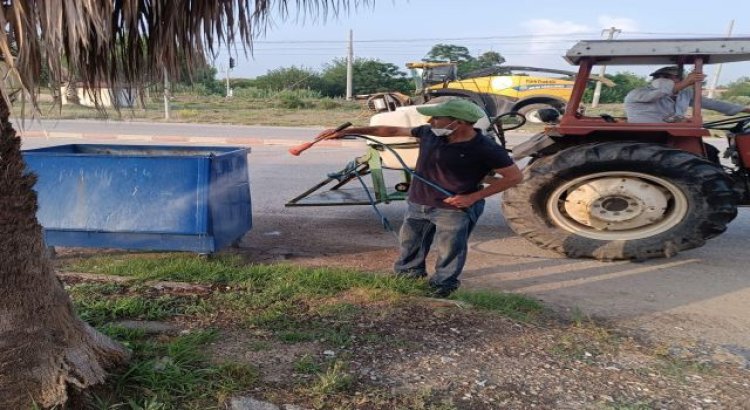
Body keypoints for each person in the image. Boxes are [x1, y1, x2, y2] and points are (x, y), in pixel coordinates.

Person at [316, 99, 523, 297]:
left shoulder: (486, 148)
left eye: (436, 118)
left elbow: (514, 177)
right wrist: (349, 132)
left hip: (454, 209)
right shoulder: (429, 133)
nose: (430, 122)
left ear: (457, 122)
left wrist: (473, 197)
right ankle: (408, 276)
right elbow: (391, 131)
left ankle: (443, 286)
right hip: (419, 201)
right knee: (410, 243)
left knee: (450, 250)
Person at [624, 66, 750, 123]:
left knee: (709, 151)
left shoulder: (684, 94)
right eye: (659, 77)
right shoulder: (638, 93)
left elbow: (712, 103)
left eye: (669, 77)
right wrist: (687, 82)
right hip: (649, 134)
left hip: (672, 132)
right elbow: (661, 92)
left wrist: (745, 109)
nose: (661, 79)